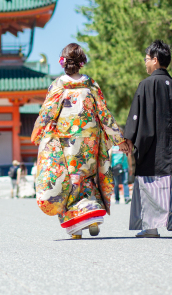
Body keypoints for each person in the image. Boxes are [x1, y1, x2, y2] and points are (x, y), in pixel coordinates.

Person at [33, 43, 131, 239]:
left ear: (63, 63)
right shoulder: (91, 85)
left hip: (66, 141)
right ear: (81, 63)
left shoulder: (59, 85)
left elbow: (47, 113)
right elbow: (104, 114)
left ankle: (76, 228)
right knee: (87, 177)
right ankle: (92, 216)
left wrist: (39, 133)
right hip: (90, 140)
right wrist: (118, 138)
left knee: (69, 181)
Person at [125, 40, 172, 238]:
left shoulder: (146, 85)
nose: (145, 62)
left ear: (155, 60)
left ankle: (150, 228)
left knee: (150, 186)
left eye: (147, 59)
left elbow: (137, 117)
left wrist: (130, 139)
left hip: (153, 148)